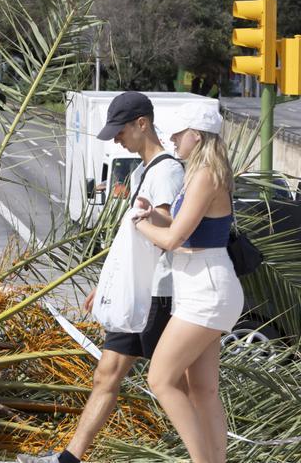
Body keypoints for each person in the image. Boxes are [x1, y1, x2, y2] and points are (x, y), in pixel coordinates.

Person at [18, 92, 185, 463]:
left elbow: (170, 228)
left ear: (142, 123)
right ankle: (69, 460)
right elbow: (135, 241)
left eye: (120, 131)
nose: (115, 140)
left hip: (156, 296)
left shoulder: (168, 172)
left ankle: (207, 453)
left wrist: (146, 218)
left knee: (179, 387)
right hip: (139, 292)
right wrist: (108, 282)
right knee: (110, 375)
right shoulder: (145, 171)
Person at [133, 102, 242, 463]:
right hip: (204, 287)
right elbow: (186, 232)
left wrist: (139, 223)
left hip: (206, 291)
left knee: (160, 380)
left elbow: (173, 240)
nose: (173, 139)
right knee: (203, 390)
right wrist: (155, 218)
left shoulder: (205, 175)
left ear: (197, 135)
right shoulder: (203, 173)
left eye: (179, 134)